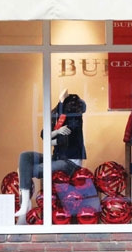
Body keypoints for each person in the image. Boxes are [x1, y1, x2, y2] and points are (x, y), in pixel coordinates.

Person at [15, 90, 87, 224]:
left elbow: (63, 140)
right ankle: (25, 203)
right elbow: (44, 134)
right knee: (25, 156)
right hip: (57, 157)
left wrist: (52, 137)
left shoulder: (74, 118)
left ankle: (24, 208)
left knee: (32, 170)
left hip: (70, 162)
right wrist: (56, 132)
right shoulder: (59, 120)